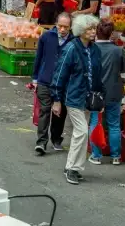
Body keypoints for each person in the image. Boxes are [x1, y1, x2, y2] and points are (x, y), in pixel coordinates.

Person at [51, 14, 102, 185]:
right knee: (82, 132)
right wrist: (56, 99)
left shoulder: (95, 50)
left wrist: (99, 96)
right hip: (73, 97)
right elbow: (60, 74)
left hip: (88, 99)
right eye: (89, 29)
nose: (93, 31)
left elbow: (98, 75)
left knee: (80, 134)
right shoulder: (71, 48)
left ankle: (73, 167)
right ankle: (73, 168)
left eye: (94, 28)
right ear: (81, 31)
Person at [32, 12, 73, 155]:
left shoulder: (73, 42)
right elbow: (38, 58)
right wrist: (35, 79)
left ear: (70, 27)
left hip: (63, 84)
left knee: (60, 113)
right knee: (45, 111)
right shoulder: (46, 37)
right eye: (60, 26)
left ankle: (56, 138)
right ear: (56, 24)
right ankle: (41, 142)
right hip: (45, 80)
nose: (62, 30)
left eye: (66, 27)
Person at [89, 18, 125, 165]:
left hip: (95, 93)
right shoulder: (118, 50)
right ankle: (116, 156)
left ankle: (96, 155)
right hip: (114, 92)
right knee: (114, 124)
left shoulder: (91, 49)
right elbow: (124, 69)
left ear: (97, 33)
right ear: (111, 34)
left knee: (95, 122)